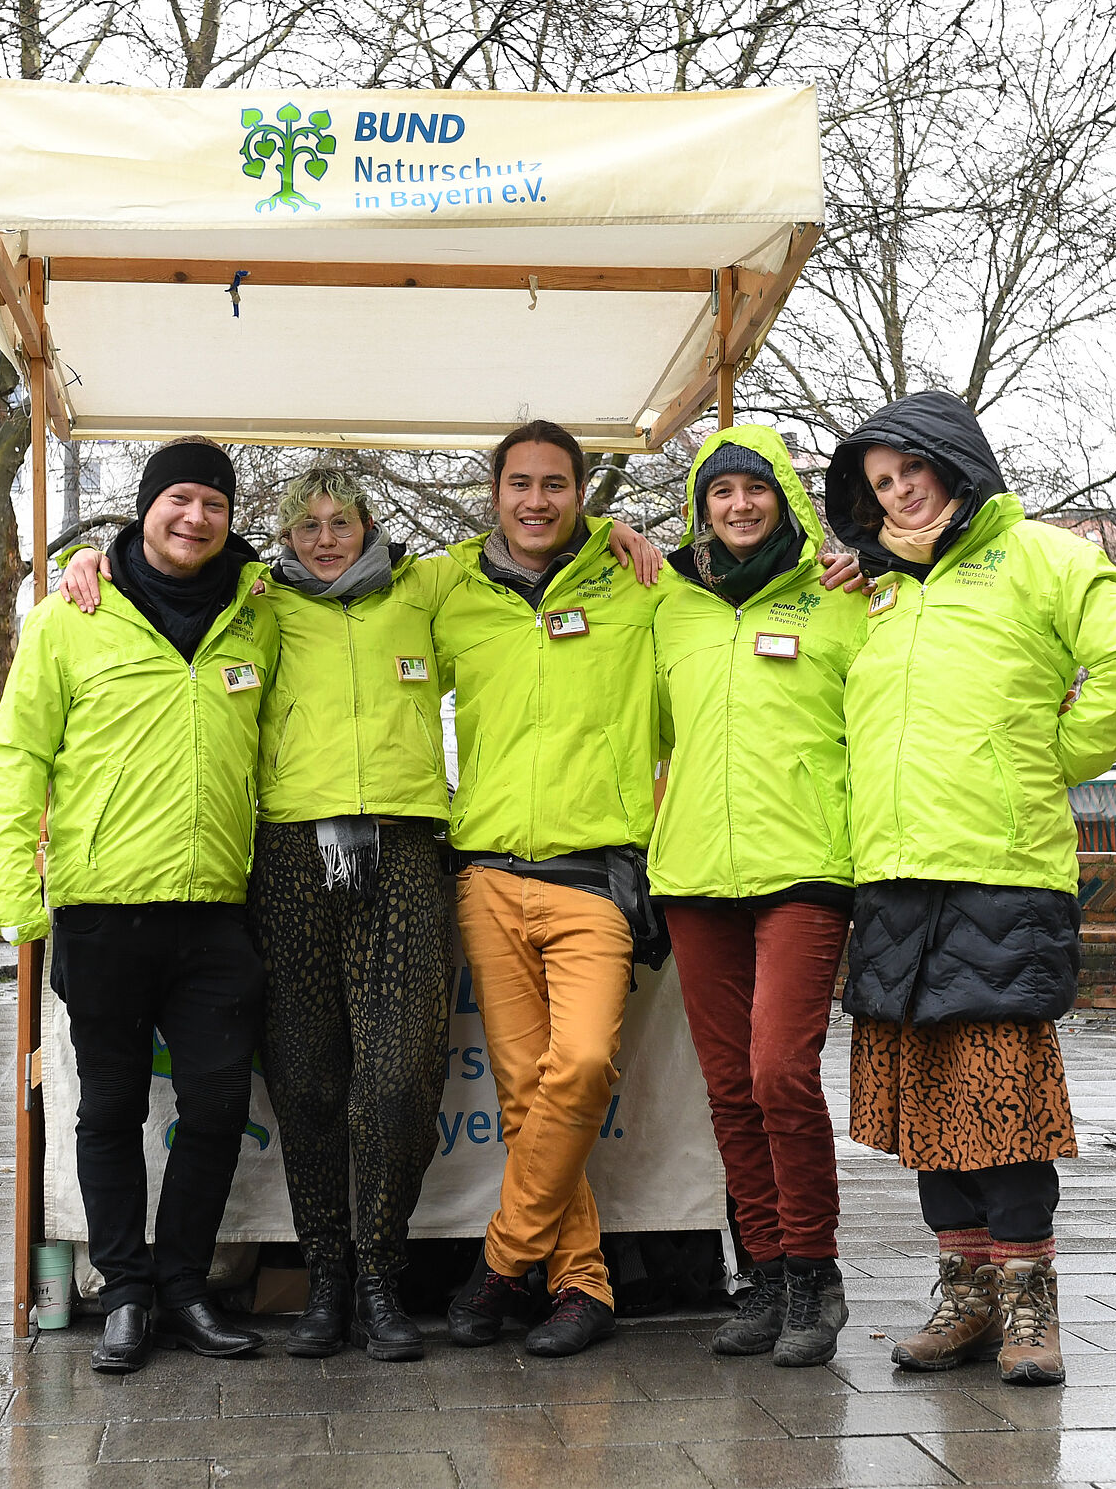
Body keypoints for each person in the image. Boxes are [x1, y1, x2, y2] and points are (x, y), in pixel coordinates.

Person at [59, 466, 663, 1362]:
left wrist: (616, 529)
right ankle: (327, 1280)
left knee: (398, 1081)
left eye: (342, 521)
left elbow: (535, 541)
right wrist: (85, 560)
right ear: (283, 534)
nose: (326, 538)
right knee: (304, 1083)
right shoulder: (254, 600)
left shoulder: (429, 587)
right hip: (292, 858)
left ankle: (381, 1275)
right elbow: (158, 571)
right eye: (306, 524)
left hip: (410, 851)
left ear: (371, 524)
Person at [823, 391, 1116, 1387]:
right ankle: (966, 1295)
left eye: (912, 471)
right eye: (880, 484)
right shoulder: (869, 593)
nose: (900, 492)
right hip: (892, 875)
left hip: (999, 872)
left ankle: (1029, 1306)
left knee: (1001, 1097)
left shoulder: (1042, 558)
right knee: (931, 1101)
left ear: (954, 462)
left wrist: (1049, 756)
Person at [0, 438, 280, 1376]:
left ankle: (186, 1285)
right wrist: (10, 890)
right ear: (143, 508)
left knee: (220, 1107)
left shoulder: (258, 614)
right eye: (177, 500)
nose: (195, 519)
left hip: (214, 911)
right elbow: (17, 755)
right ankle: (124, 1290)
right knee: (107, 1108)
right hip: (103, 909)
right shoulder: (72, 614)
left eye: (213, 505)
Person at [432, 419, 667, 1359]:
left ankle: (500, 1263)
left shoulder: (637, 585)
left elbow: (758, 567)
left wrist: (844, 564)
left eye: (555, 485)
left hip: (594, 879)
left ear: (582, 495)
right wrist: (105, 569)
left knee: (578, 1069)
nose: (536, 501)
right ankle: (582, 1286)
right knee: (528, 1093)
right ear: (494, 491)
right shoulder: (445, 588)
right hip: (487, 876)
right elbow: (321, 592)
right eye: (520, 483)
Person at [648, 424, 868, 1367]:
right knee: (730, 1086)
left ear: (785, 498)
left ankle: (817, 1275)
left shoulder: (842, 599)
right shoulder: (671, 608)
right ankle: (765, 1276)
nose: (738, 507)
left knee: (781, 1071)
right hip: (695, 873)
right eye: (720, 493)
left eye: (757, 490)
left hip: (805, 866)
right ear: (702, 506)